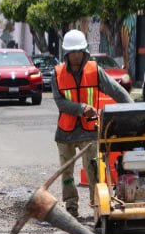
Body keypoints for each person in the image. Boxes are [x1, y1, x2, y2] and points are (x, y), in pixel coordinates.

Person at [53, 29, 129, 217]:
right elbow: (60, 102)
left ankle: (97, 204)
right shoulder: (58, 73)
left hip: (89, 130)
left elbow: (116, 90)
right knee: (67, 174)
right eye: (73, 52)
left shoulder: (94, 70)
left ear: (85, 52)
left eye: (79, 52)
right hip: (65, 132)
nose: (76, 56)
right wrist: (81, 108)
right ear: (67, 54)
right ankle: (71, 206)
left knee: (94, 170)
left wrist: (133, 108)